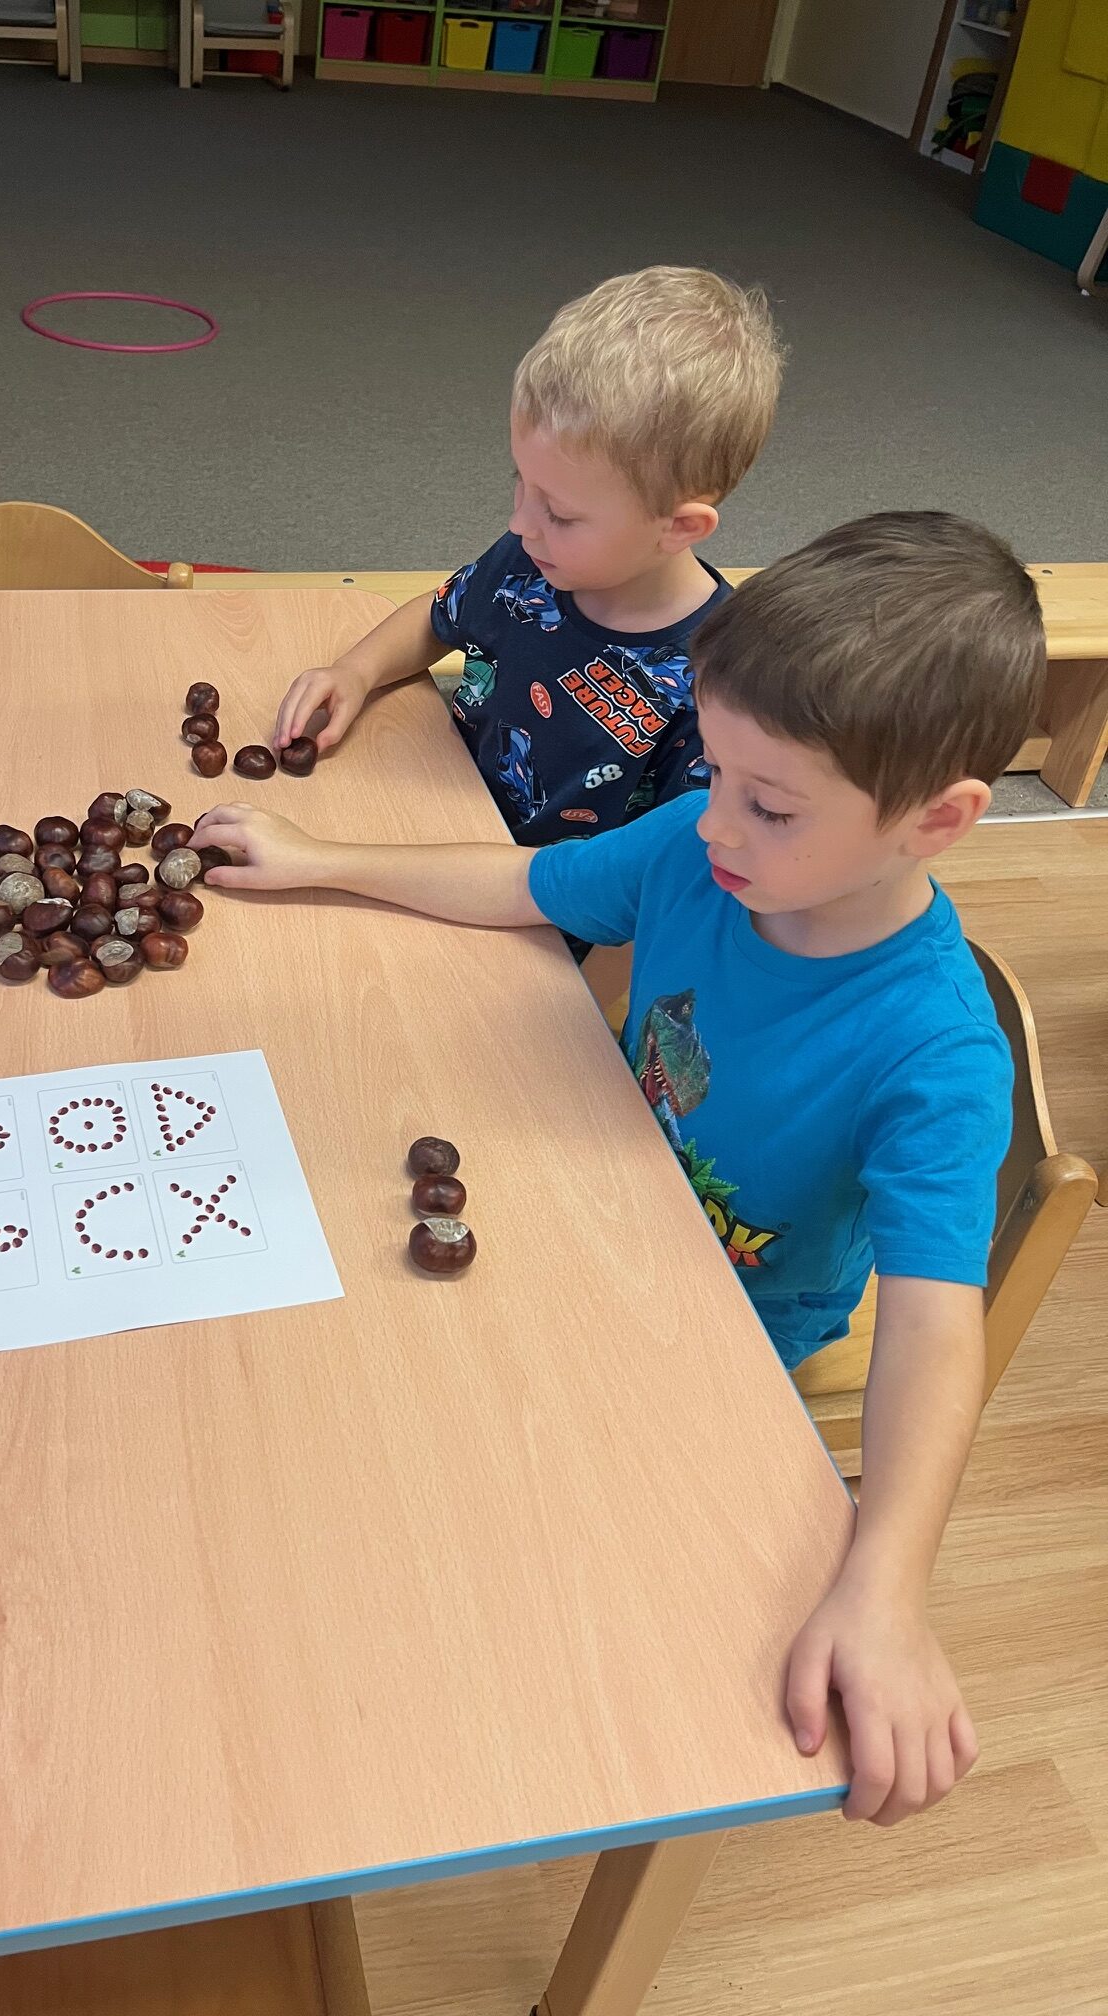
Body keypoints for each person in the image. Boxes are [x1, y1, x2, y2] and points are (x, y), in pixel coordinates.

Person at [194, 512, 1047, 1830]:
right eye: (719, 771)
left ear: (937, 822)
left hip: (717, 1332)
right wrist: (322, 863)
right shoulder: (705, 841)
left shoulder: (935, 1054)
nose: (717, 822)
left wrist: (885, 1586)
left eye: (770, 804)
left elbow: (936, 1331)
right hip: (592, 1206)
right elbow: (532, 885)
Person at [272, 265, 784, 846]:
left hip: (540, 890)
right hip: (444, 807)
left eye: (559, 513)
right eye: (521, 482)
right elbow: (441, 615)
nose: (519, 524)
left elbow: (664, 865)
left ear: (680, 527)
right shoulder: (532, 560)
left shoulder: (718, 686)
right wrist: (356, 671)